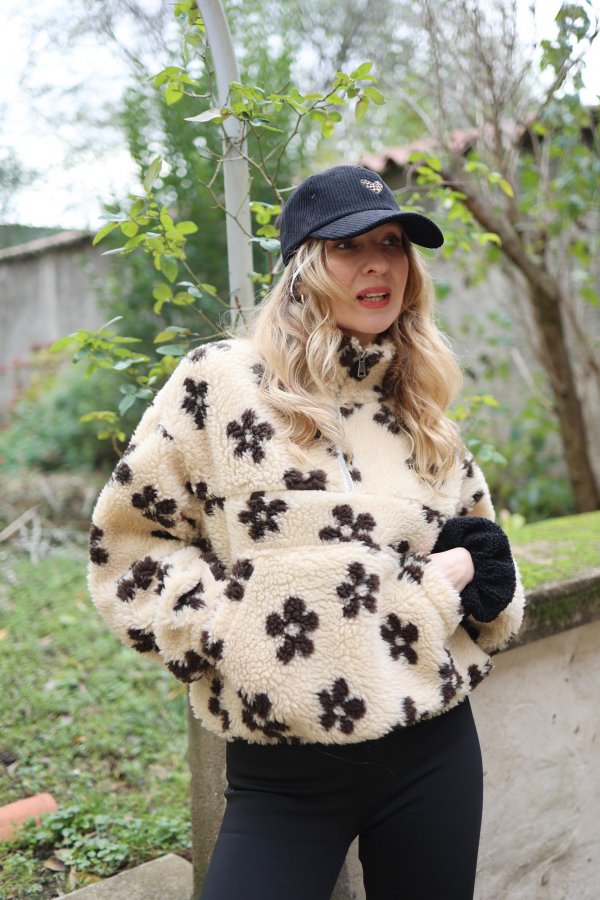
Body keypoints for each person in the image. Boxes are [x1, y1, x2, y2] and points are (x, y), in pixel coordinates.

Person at [88, 165, 525, 900]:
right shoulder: (221, 382)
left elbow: (482, 550)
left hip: (432, 748)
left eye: (392, 243)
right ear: (303, 265)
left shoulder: (417, 405)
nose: (379, 264)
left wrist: (454, 584)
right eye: (349, 246)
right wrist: (229, 630)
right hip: (283, 773)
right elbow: (126, 544)